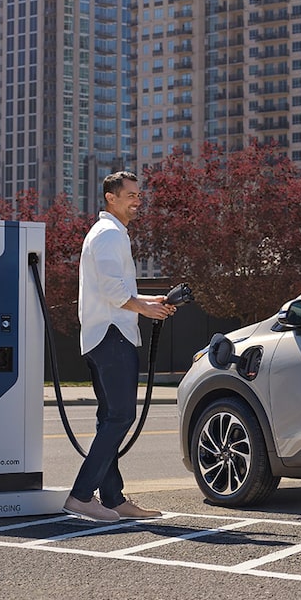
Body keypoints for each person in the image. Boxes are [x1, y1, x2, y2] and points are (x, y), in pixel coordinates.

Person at [63, 171, 176, 523]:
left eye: (138, 195)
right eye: (131, 195)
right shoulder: (111, 235)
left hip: (101, 336)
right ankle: (82, 495)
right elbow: (114, 292)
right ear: (111, 198)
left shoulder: (106, 233)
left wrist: (146, 299)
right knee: (121, 415)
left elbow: (112, 289)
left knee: (108, 418)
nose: (137, 201)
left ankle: (112, 498)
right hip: (112, 337)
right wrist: (145, 308)